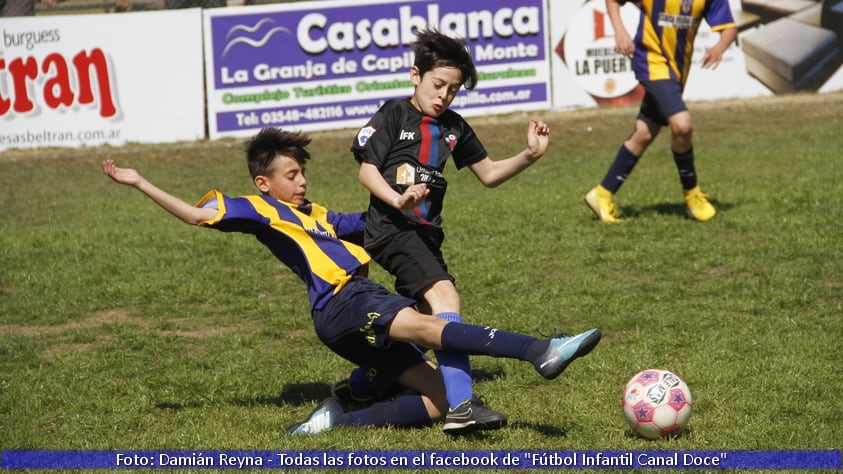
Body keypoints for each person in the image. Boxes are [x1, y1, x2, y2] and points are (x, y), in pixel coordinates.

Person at [102, 127, 602, 436]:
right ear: (264, 182)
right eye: (292, 174)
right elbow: (194, 214)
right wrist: (141, 182)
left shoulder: (317, 213)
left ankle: (342, 418)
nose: (302, 182)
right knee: (430, 325)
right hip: (346, 302)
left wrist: (406, 197)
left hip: (350, 314)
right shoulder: (256, 209)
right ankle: (540, 350)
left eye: (302, 174)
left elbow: (370, 222)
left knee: (440, 402)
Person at [347, 28, 551, 434]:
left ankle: (366, 382)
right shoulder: (393, 114)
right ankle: (461, 406)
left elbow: (489, 174)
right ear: (415, 75)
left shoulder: (454, 127)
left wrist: (529, 154)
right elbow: (367, 170)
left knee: (421, 325)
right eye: (438, 85)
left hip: (426, 236)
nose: (444, 96)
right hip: (391, 227)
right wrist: (396, 199)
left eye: (453, 90)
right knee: (445, 297)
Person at [584, 0, 737, 222]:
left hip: (676, 72)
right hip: (651, 61)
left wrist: (720, 47)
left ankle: (602, 193)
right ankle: (692, 194)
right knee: (682, 125)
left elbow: (729, 28)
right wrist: (620, 32)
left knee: (644, 133)